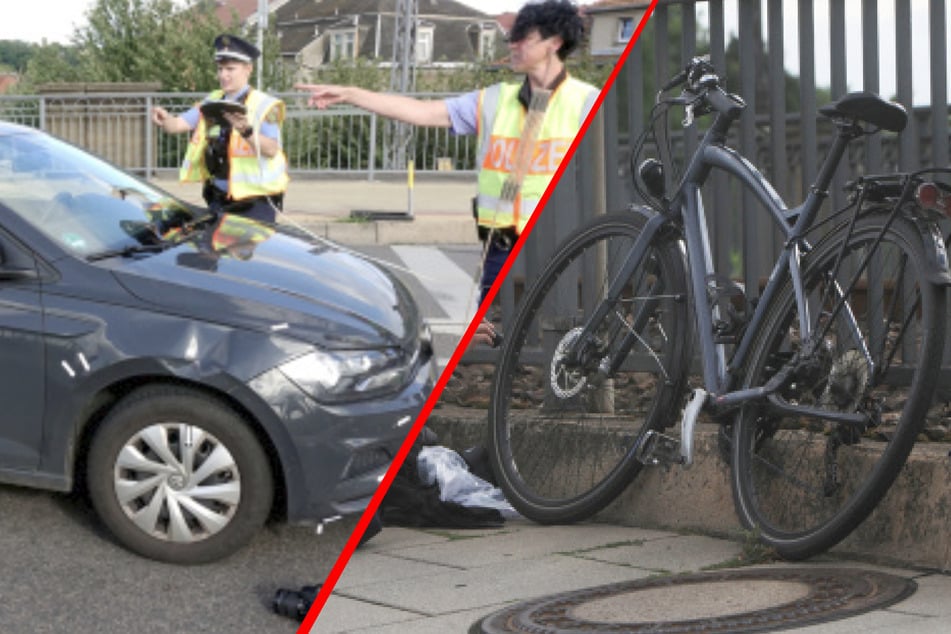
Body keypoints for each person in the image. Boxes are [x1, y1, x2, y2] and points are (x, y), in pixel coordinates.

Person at [295, 0, 599, 334]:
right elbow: (422, 112)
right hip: (500, 244)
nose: (511, 44)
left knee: (561, 331)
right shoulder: (494, 100)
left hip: (559, 239)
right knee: (498, 339)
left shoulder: (586, 102)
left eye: (523, 38)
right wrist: (352, 93)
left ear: (554, 43)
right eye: (511, 36)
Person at [151, 34, 289, 223]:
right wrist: (165, 118)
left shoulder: (263, 104)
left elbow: (272, 150)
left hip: (254, 204)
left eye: (230, 69)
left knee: (249, 253)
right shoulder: (213, 100)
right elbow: (177, 125)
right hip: (218, 198)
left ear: (248, 69)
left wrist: (247, 132)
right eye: (220, 69)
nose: (223, 75)